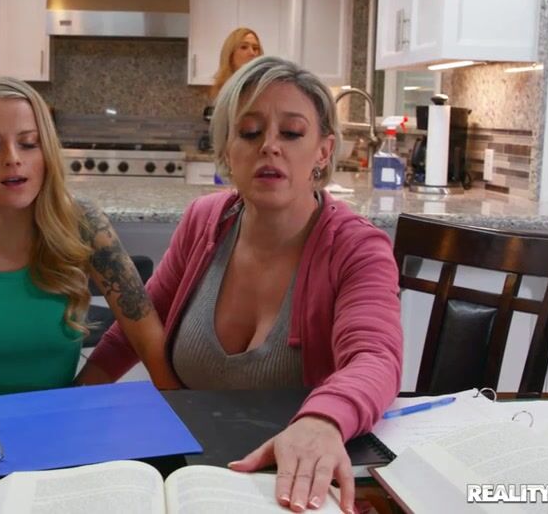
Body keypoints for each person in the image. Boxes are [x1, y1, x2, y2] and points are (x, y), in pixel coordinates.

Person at [81, 56, 403, 513]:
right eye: (250, 132)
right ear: (227, 150)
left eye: (291, 133)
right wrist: (70, 405)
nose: (269, 146)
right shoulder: (204, 222)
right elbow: (136, 326)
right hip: (188, 473)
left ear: (324, 151)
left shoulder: (355, 247)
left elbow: (375, 357)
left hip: (291, 484)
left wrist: (322, 420)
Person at [0, 77, 179, 393]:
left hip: (59, 419)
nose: (12, 158)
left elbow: (147, 338)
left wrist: (186, 414)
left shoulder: (84, 222)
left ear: (47, 151)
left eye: (28, 143)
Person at [210, 27, 264, 100]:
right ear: (230, 55)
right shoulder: (224, 91)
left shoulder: (264, 88)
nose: (252, 53)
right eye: (244, 47)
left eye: (255, 48)